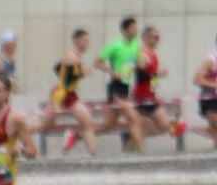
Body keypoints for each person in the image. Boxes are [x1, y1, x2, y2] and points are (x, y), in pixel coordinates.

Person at [128, 25, 187, 148]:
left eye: (158, 38)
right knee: (154, 125)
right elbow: (140, 75)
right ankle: (137, 151)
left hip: (150, 94)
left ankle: (131, 146)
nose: (157, 40)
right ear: (146, 38)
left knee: (161, 126)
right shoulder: (142, 53)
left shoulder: (153, 53)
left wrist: (157, 76)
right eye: (155, 37)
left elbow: (150, 77)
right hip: (142, 96)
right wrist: (157, 74)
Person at [44, 28, 99, 156]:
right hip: (63, 94)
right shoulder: (72, 56)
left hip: (68, 93)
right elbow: (72, 73)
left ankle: (88, 150)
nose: (87, 44)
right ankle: (75, 138)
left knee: (87, 124)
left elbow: (59, 69)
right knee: (87, 124)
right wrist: (83, 72)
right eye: (85, 41)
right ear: (76, 40)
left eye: (88, 41)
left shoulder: (74, 56)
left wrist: (81, 72)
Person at [95, 16, 143, 152]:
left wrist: (141, 64)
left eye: (136, 28)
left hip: (126, 87)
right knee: (135, 120)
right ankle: (143, 155)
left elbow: (136, 63)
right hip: (115, 88)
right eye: (133, 28)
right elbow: (97, 62)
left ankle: (78, 135)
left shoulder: (136, 45)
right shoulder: (115, 46)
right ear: (125, 30)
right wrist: (112, 71)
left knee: (108, 125)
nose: (136, 31)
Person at [192, 37, 217, 144]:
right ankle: (190, 129)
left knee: (215, 133)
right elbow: (196, 80)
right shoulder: (211, 60)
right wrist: (214, 85)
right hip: (209, 99)